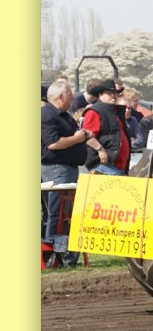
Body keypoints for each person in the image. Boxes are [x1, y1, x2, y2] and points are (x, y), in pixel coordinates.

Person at [41, 79, 92, 260]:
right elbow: (53, 143)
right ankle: (53, 255)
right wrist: (77, 139)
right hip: (57, 169)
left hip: (66, 169)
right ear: (61, 97)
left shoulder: (63, 115)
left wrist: (84, 135)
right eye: (70, 95)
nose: (73, 99)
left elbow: (70, 136)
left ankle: (64, 254)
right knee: (57, 214)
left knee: (66, 213)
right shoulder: (47, 115)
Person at [81, 79, 131, 176]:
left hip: (116, 166)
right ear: (100, 95)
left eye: (115, 93)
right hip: (103, 166)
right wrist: (101, 150)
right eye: (109, 93)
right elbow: (86, 135)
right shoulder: (94, 111)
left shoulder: (114, 112)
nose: (113, 96)